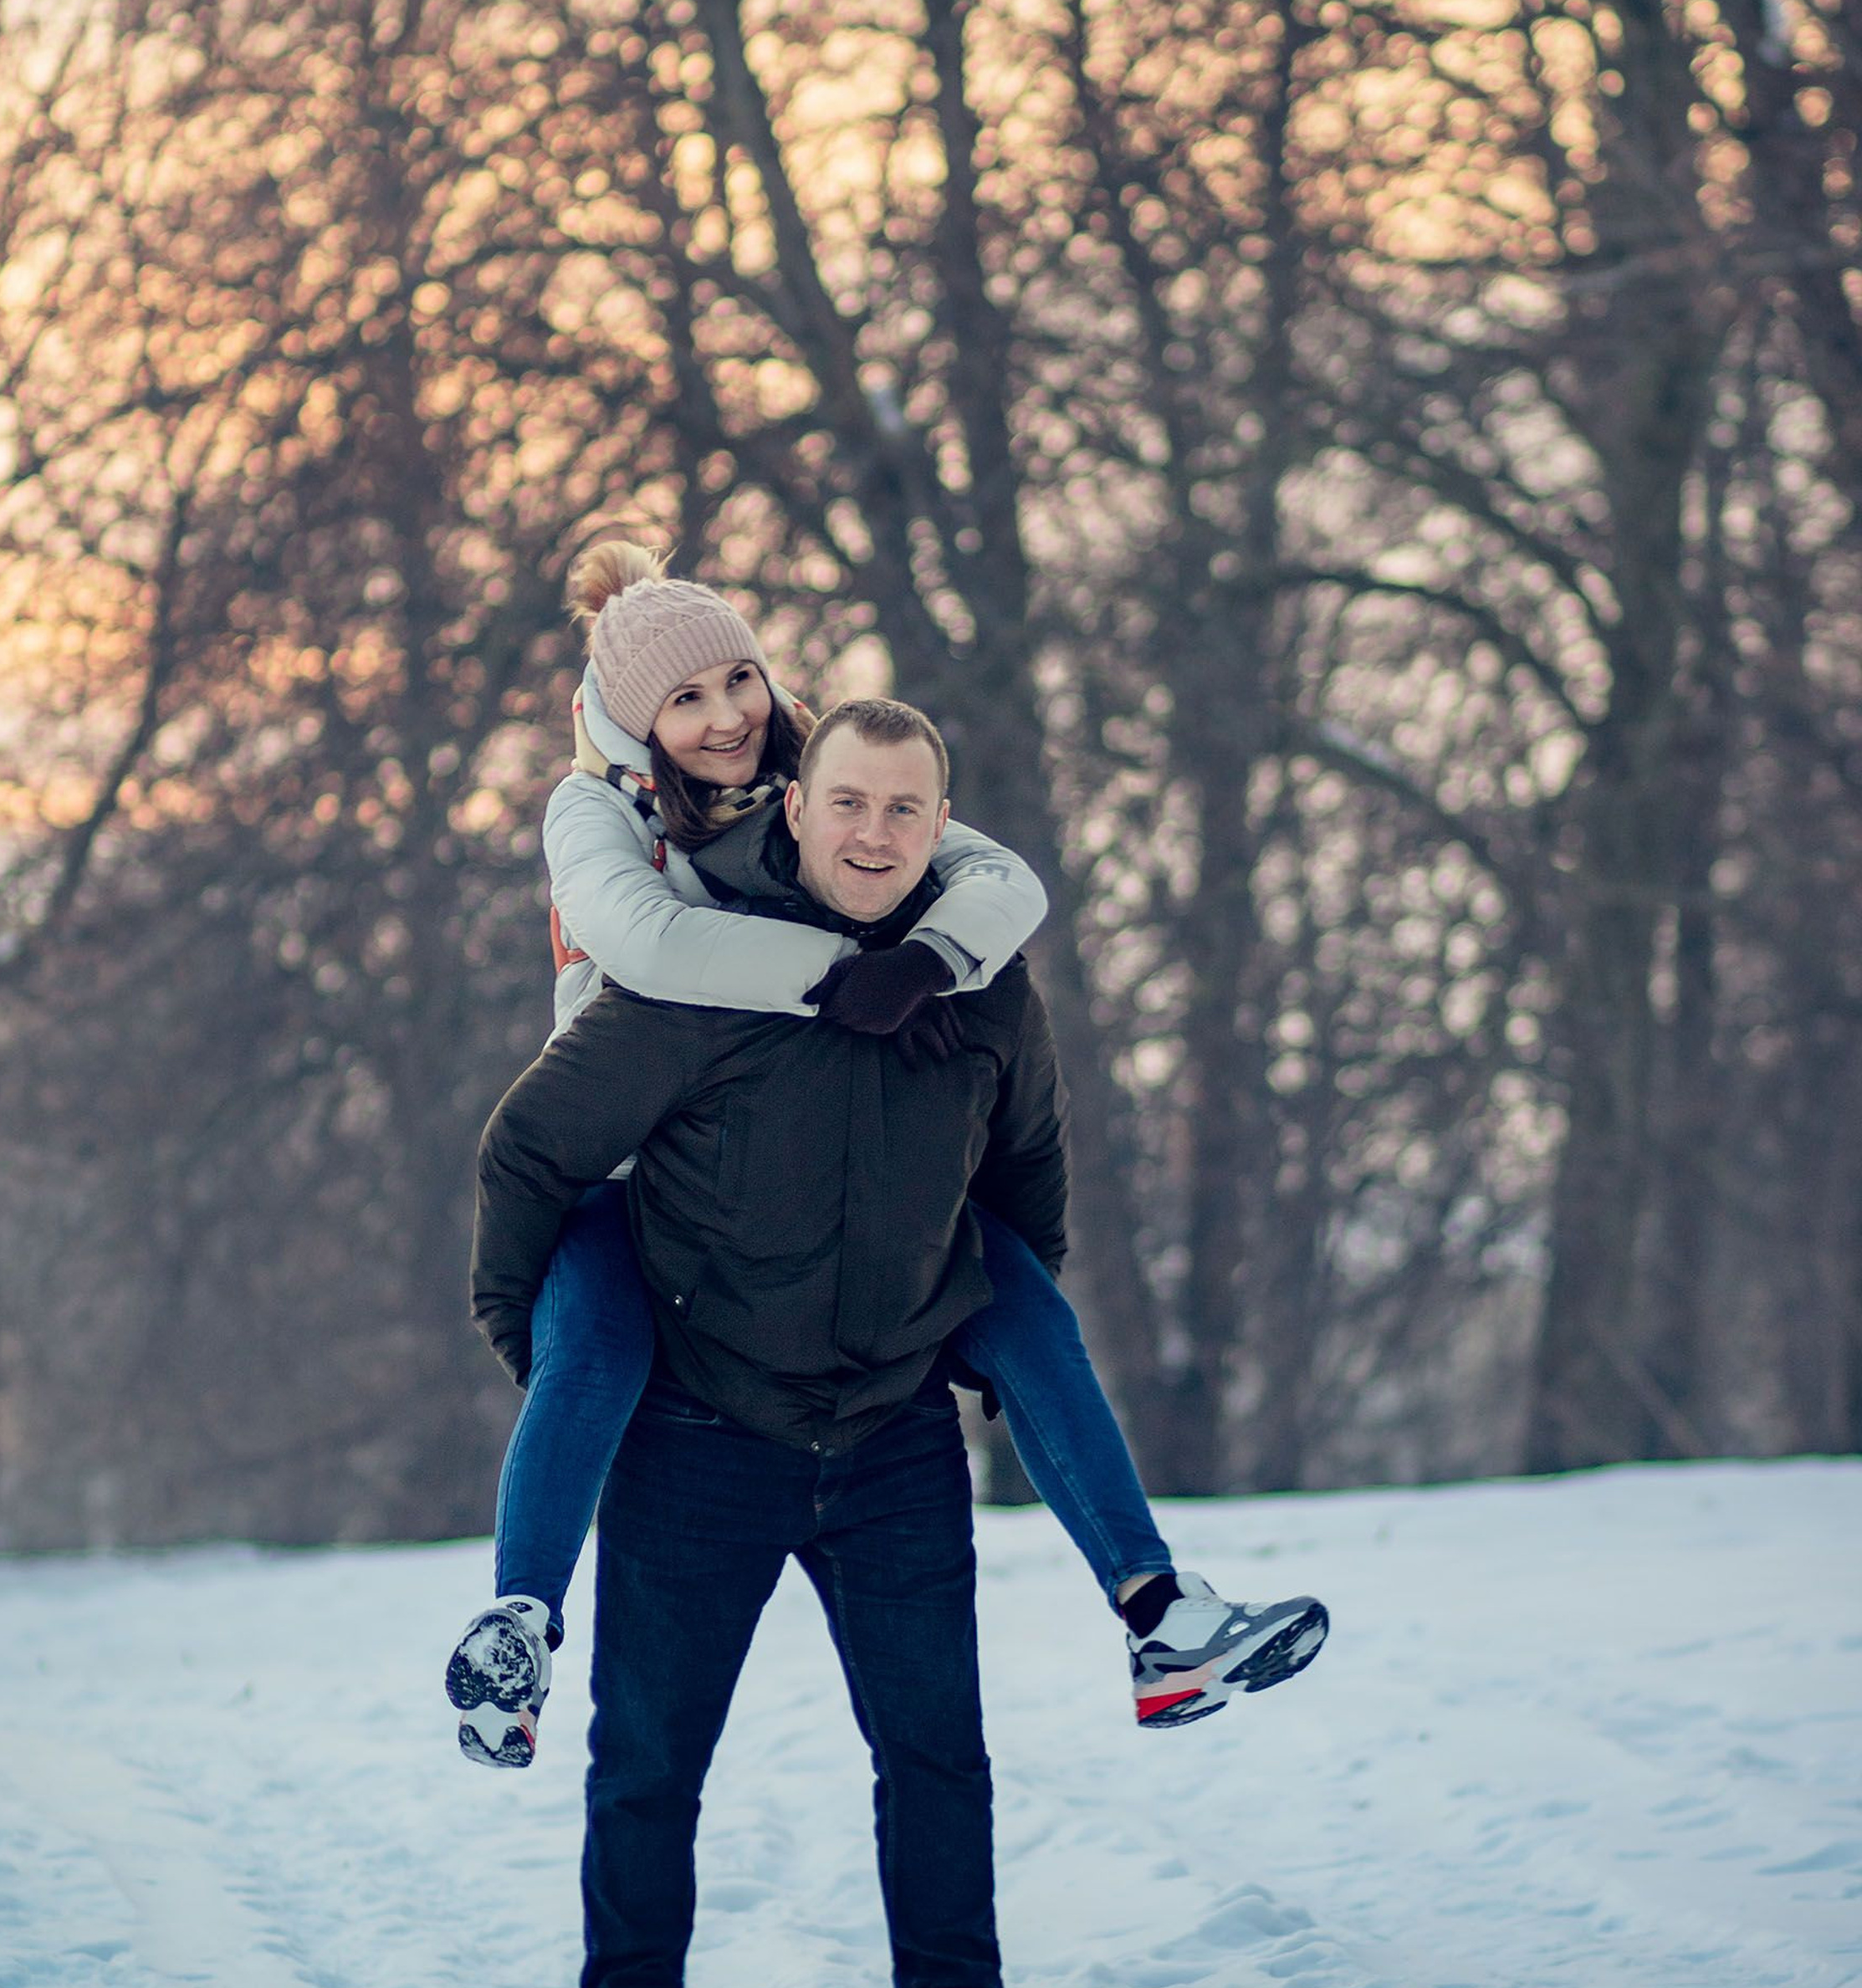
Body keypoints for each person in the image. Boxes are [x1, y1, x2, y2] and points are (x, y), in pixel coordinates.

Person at [472, 698, 1324, 1988]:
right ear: (798, 806)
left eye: (906, 810)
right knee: (648, 1763)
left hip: (890, 1440)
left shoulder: (984, 988)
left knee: (936, 1748)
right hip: (703, 1438)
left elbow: (1028, 1175)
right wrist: (529, 1331)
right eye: (851, 802)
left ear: (943, 828)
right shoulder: (694, 978)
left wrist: (965, 1328)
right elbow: (530, 1149)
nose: (875, 833)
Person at [446, 544, 1326, 1771]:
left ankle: (1160, 1617)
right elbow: (644, 943)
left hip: (808, 1164)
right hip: (639, 1168)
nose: (723, 718)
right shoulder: (596, 810)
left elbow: (1002, 879)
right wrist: (845, 979)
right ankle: (520, 1625)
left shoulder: (823, 771)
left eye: (737, 681)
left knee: (1016, 1292)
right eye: (683, 700)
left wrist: (931, 962)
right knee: (590, 1346)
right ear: (633, 721)